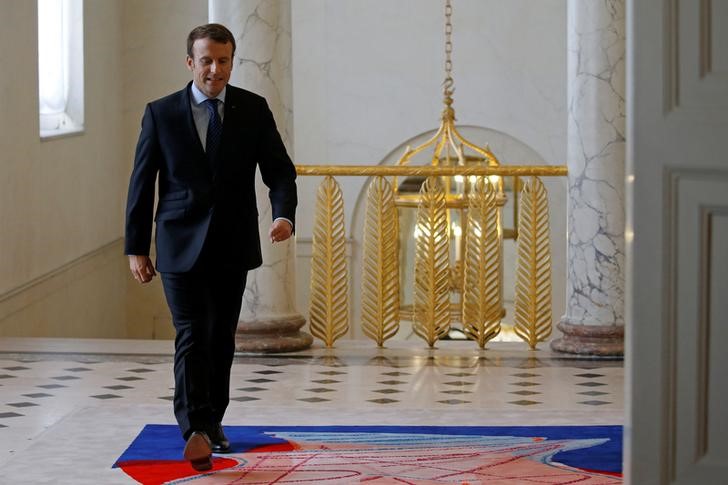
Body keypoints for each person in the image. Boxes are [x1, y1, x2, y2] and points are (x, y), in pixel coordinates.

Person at [124, 23, 297, 471]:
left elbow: (279, 170)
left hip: (232, 243)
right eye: (206, 61)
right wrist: (136, 247)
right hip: (179, 242)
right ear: (190, 63)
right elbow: (142, 185)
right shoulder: (160, 113)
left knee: (221, 338)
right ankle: (194, 427)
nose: (215, 70)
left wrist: (283, 214)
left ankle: (213, 422)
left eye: (223, 61)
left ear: (231, 62)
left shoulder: (253, 109)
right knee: (191, 335)